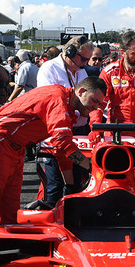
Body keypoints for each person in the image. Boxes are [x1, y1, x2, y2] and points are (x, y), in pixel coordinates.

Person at [0, 77, 106, 226]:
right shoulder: (57, 98)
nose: (95, 108)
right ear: (81, 91)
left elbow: (61, 150)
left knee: (10, 209)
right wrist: (90, 167)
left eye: (99, 104)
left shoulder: (65, 105)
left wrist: (70, 186)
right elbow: (62, 143)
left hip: (14, 146)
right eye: (94, 101)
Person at [36, 36, 93, 206]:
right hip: (56, 133)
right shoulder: (49, 69)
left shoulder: (81, 70)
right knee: (56, 184)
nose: (85, 63)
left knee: (76, 184)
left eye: (88, 59)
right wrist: (80, 109)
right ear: (69, 52)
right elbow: (52, 106)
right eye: (83, 58)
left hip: (77, 132)